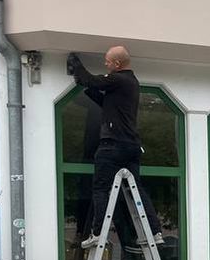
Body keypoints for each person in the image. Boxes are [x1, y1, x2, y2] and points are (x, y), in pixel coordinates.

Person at [66, 46, 162, 249]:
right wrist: (90, 90)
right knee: (137, 187)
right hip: (131, 146)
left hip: (112, 146)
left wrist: (75, 64)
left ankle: (98, 233)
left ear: (117, 64)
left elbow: (93, 80)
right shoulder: (130, 83)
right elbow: (107, 102)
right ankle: (154, 230)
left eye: (107, 61)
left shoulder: (118, 79)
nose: (105, 64)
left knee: (101, 188)